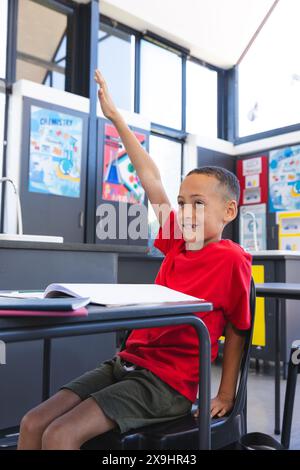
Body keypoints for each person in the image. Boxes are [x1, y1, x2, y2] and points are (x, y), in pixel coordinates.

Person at [17, 70, 252, 450]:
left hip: (167, 384)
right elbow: (151, 181)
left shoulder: (231, 260)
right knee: (32, 423)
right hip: (126, 364)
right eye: (181, 203)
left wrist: (225, 395)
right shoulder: (178, 241)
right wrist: (117, 120)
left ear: (229, 211)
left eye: (198, 203)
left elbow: (239, 329)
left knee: (61, 435)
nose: (185, 211)